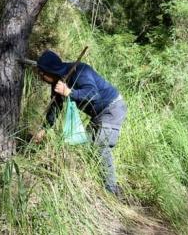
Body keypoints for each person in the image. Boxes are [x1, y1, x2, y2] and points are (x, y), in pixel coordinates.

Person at [33, 50, 127, 195]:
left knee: (101, 145)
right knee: (85, 145)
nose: (40, 76)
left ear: (50, 71)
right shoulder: (58, 82)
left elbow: (93, 95)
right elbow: (55, 107)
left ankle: (112, 190)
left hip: (111, 108)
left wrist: (70, 93)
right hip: (98, 115)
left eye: (41, 72)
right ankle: (95, 182)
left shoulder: (80, 70)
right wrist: (45, 129)